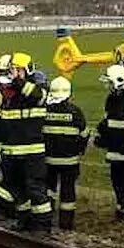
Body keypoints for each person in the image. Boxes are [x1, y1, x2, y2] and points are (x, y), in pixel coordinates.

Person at [0, 53, 53, 233]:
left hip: (33, 153)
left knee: (35, 189)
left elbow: (38, 96)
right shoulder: (10, 94)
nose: (15, 74)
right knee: (16, 190)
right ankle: (24, 221)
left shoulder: (38, 88)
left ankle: (43, 225)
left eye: (18, 70)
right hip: (11, 152)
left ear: (28, 70)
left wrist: (17, 81)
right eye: (13, 71)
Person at [43, 76, 89, 230]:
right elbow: (84, 134)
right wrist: (80, 149)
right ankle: (66, 223)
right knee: (68, 191)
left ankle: (46, 218)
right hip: (70, 161)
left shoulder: (44, 111)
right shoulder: (75, 112)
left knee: (49, 189)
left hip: (48, 160)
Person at [97, 64, 124, 221]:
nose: (107, 85)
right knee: (116, 181)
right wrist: (103, 136)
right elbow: (109, 122)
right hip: (114, 148)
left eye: (110, 82)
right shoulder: (111, 99)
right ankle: (121, 206)